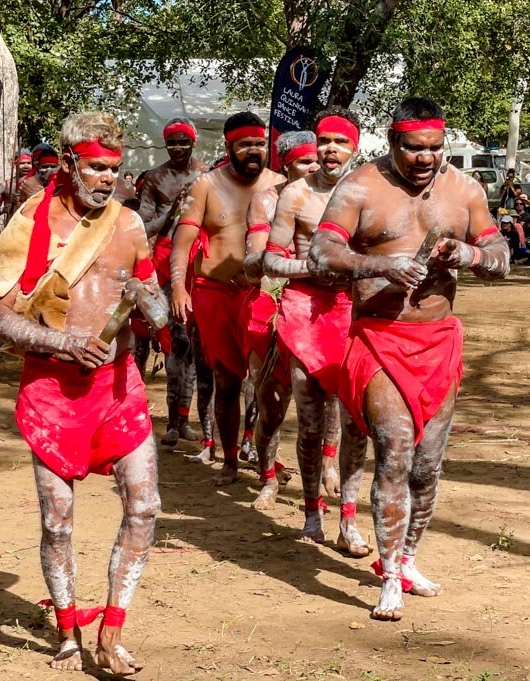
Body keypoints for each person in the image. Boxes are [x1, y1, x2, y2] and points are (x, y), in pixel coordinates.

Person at [308, 96, 509, 620]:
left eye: (435, 149)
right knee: (395, 453)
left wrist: (470, 255)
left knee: (426, 466)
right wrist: (377, 264)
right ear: (394, 143)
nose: (426, 159)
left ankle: (409, 559)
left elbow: (500, 256)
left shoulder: (464, 190)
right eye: (414, 149)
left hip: (438, 340)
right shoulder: (361, 186)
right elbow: (321, 252)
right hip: (379, 337)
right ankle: (389, 573)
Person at [0, 111, 162, 675]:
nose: (109, 178)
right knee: (58, 520)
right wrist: (60, 343)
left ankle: (112, 630)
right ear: (69, 164)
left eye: (115, 168)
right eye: (98, 168)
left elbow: (155, 307)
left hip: (118, 385)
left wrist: (145, 299)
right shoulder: (30, 222)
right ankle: (66, 633)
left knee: (145, 505)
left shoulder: (129, 224)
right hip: (52, 390)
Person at [263, 109, 370, 557]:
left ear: (354, 148)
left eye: (340, 142)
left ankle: (349, 518)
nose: (330, 149)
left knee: (356, 422)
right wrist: (310, 267)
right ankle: (312, 513)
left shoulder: (370, 193)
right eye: (324, 140)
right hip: (305, 311)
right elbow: (270, 260)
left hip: (354, 313)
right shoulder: (295, 195)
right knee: (309, 424)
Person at [171, 111, 284, 485]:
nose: (253, 151)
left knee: (267, 381)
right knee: (227, 381)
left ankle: (264, 455)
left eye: (257, 143)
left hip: (261, 293)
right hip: (215, 293)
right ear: (229, 146)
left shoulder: (280, 186)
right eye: (244, 144)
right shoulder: (206, 185)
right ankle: (230, 459)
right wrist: (177, 286)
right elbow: (183, 239)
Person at [241, 129, 318, 509]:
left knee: (328, 398)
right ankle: (268, 477)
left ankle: (329, 469)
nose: (314, 167)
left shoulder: (338, 197)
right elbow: (254, 262)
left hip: (320, 309)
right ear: (286, 163)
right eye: (305, 161)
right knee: (270, 404)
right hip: (271, 307)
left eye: (317, 160)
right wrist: (283, 262)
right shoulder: (265, 200)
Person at [139, 117, 207, 446]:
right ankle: (170, 422)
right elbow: (144, 226)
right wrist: (172, 213)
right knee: (174, 339)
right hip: (166, 262)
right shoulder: (155, 178)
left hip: (199, 262)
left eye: (183, 141)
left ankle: (184, 417)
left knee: (192, 342)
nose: (178, 148)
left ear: (193, 142)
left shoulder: (207, 176)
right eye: (172, 142)